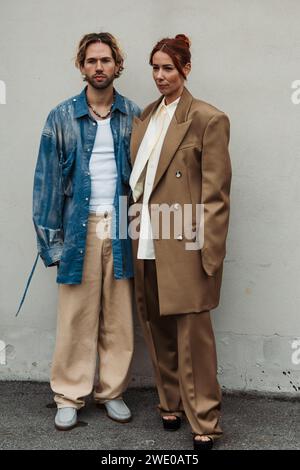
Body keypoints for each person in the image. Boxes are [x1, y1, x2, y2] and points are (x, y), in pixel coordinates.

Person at [32, 32, 140, 430]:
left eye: (106, 60)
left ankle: (112, 392)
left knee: (119, 316)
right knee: (76, 315)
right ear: (81, 66)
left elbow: (147, 179)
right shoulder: (61, 117)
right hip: (81, 228)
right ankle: (69, 395)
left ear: (117, 66)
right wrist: (52, 244)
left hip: (122, 227)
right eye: (92, 61)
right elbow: (44, 184)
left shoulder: (134, 115)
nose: (99, 67)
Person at [129, 34, 231, 450]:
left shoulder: (208, 118)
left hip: (185, 242)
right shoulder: (147, 116)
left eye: (168, 68)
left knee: (194, 337)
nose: (160, 76)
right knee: (156, 325)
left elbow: (216, 196)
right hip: (147, 235)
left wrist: (208, 255)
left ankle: (205, 420)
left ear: (186, 69)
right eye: (154, 68)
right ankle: (169, 403)